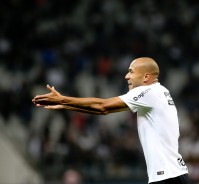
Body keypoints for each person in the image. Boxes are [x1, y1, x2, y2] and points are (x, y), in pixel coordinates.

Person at [32, 57, 190, 184]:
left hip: (167, 177)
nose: (126, 76)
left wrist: (63, 100)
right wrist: (66, 105)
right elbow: (103, 109)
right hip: (172, 174)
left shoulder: (149, 92)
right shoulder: (159, 92)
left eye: (131, 72)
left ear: (146, 77)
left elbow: (103, 107)